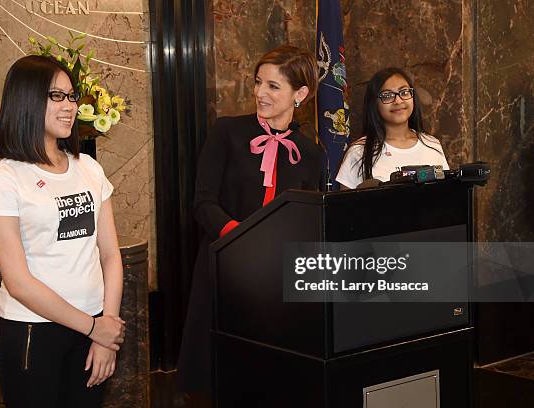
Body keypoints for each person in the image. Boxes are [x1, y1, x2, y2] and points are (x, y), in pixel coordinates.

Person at [0, 55, 125, 408]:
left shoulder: (87, 168)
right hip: (33, 331)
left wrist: (107, 329)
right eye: (56, 96)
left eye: (72, 96)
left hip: (96, 327)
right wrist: (92, 327)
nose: (69, 106)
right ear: (26, 100)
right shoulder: (5, 178)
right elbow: (19, 282)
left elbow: (110, 254)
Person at [177, 45, 323, 397]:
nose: (259, 93)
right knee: (220, 382)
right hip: (223, 270)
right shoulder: (226, 132)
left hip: (276, 284)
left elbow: (308, 220)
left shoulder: (312, 153)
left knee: (271, 384)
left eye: (273, 86)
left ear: (299, 94)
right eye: (258, 82)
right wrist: (240, 241)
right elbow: (203, 202)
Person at [335, 67, 450, 189]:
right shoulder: (359, 152)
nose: (398, 100)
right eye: (387, 95)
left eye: (404, 92)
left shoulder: (432, 144)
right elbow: (344, 206)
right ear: (374, 103)